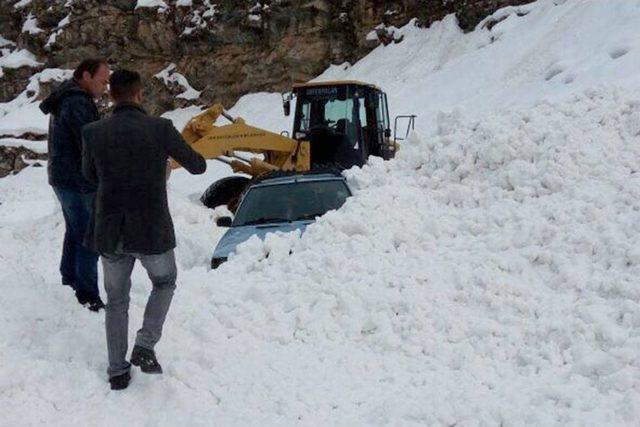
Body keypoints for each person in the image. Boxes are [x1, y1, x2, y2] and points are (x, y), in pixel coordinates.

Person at [81, 69, 206, 390]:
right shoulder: (160, 128)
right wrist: (161, 168)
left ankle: (117, 372)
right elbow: (197, 165)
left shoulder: (93, 132)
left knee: (116, 300)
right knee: (165, 282)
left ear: (111, 96)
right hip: (151, 230)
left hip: (110, 230)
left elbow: (90, 178)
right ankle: (145, 344)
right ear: (139, 95)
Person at [39, 58, 110, 312]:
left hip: (62, 177)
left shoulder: (67, 96)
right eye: (103, 81)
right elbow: (89, 144)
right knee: (89, 236)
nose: (106, 87)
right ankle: (87, 294)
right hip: (78, 180)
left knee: (75, 229)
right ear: (87, 76)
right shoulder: (78, 102)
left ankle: (69, 278)